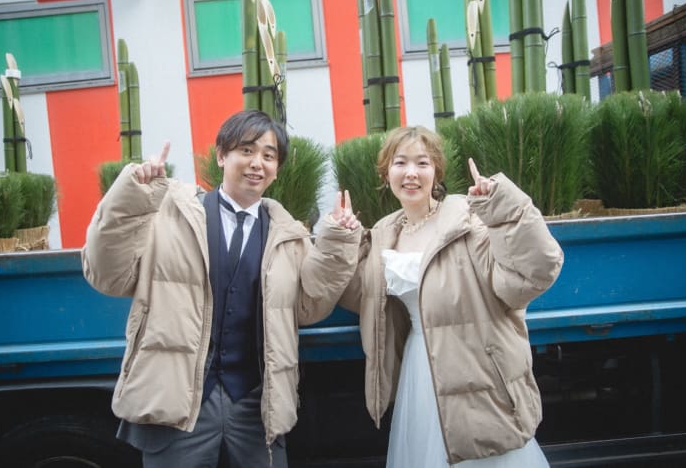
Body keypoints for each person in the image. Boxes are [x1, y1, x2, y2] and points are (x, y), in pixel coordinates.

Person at [82, 110, 361, 467]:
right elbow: (107, 275)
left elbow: (309, 308)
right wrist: (131, 197)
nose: (257, 163)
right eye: (246, 150)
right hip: (180, 403)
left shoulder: (289, 236)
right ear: (221, 156)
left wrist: (337, 240)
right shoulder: (171, 216)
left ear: (277, 169)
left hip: (256, 407)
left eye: (269, 155)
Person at [338, 126, 563, 467]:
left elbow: (533, 273)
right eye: (400, 163)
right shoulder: (384, 233)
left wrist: (501, 206)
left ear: (436, 173)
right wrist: (342, 238)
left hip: (473, 366)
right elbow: (361, 296)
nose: (411, 173)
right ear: (386, 174)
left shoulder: (467, 222)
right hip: (419, 368)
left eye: (422, 163)